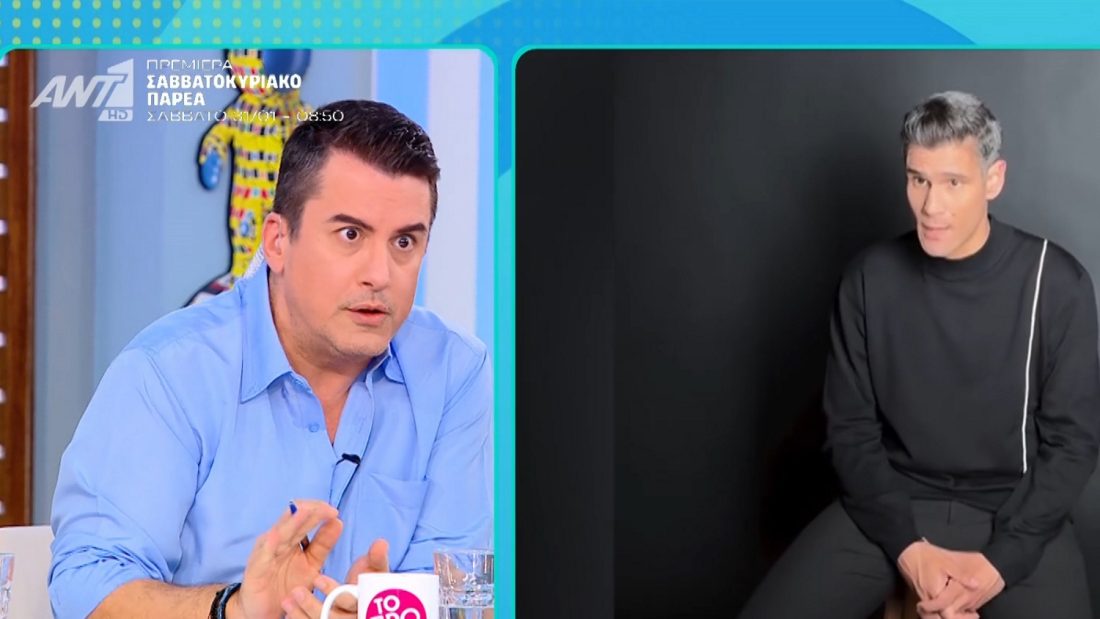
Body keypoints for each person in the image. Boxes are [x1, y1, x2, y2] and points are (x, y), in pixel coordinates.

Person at [48, 99, 493, 619]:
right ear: (278, 241)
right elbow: (86, 584)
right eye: (351, 235)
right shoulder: (170, 371)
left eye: (404, 241)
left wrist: (385, 609)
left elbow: (459, 588)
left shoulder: (454, 371)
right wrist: (234, 609)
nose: (380, 273)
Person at [739, 91, 1099, 619]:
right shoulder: (868, 278)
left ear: (993, 180)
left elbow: (1074, 444)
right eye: (918, 179)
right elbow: (850, 432)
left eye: (953, 182)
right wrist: (909, 551)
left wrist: (999, 563)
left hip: (1013, 511)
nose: (931, 206)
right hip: (889, 506)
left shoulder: (1057, 281)